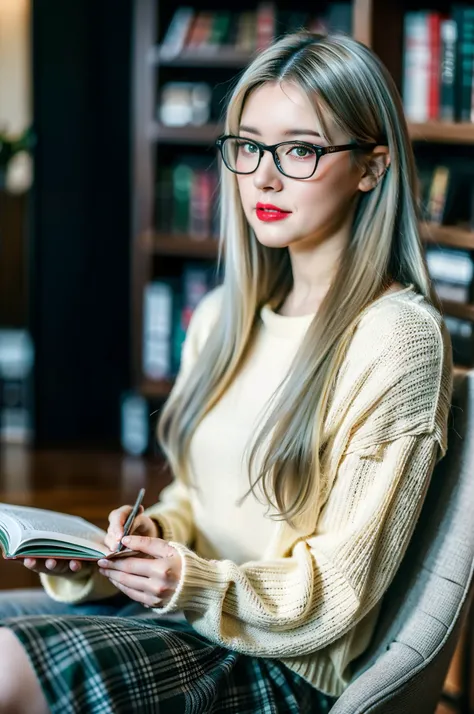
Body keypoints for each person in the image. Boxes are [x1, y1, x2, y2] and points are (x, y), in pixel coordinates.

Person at [0, 31, 453, 714]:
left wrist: (188, 581)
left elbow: (340, 591)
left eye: (300, 149)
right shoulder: (220, 317)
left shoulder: (397, 338)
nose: (263, 177)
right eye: (247, 147)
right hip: (187, 620)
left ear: (372, 167)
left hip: (282, 668)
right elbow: (196, 503)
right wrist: (145, 543)